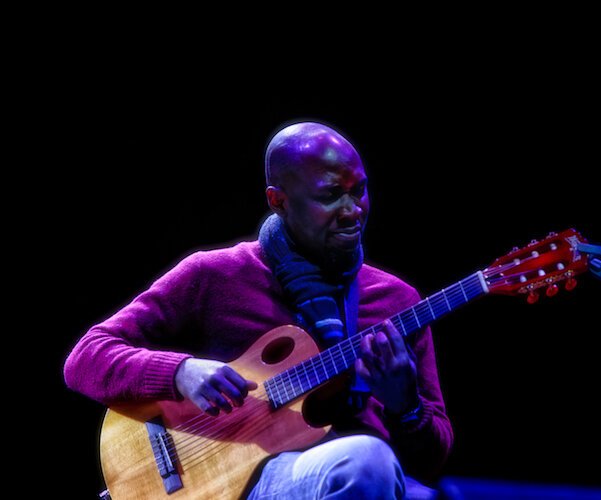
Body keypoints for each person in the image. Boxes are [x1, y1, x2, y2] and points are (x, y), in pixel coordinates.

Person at [64, 121, 453, 499]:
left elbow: (432, 461)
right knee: (366, 462)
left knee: (390, 473)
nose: (353, 210)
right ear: (278, 201)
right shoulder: (215, 276)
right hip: (237, 482)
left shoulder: (397, 301)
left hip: (368, 480)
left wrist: (407, 408)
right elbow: (85, 358)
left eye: (360, 190)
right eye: (331, 195)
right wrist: (181, 372)